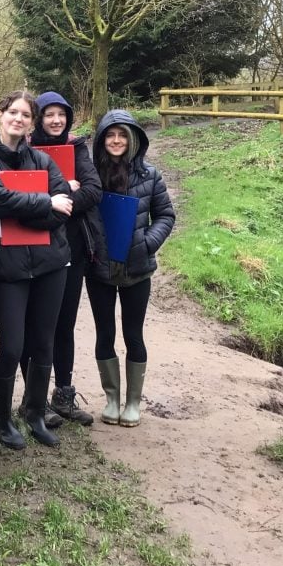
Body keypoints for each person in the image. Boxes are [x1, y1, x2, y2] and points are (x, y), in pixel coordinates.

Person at [0, 90, 72, 449]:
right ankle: (2, 420)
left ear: (32, 123)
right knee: (12, 346)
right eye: (12, 112)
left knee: (43, 343)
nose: (18, 119)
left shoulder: (44, 161)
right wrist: (44, 203)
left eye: (25, 115)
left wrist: (29, 210)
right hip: (10, 268)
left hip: (51, 264)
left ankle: (34, 414)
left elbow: (66, 205)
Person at [18, 92, 103, 427]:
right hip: (34, 249)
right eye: (49, 114)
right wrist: (51, 200)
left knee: (64, 324)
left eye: (61, 115)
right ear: (38, 117)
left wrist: (58, 199)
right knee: (34, 326)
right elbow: (19, 195)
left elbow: (93, 191)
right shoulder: (24, 149)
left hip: (74, 249)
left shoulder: (77, 147)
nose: (55, 120)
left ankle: (64, 395)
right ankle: (33, 399)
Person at [87, 109, 175, 427]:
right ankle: (111, 399)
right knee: (105, 332)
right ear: (101, 139)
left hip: (137, 269)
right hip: (99, 270)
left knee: (133, 333)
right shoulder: (91, 173)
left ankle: (133, 403)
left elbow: (166, 215)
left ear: (133, 139)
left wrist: (147, 243)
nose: (116, 140)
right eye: (110, 135)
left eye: (122, 135)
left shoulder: (149, 175)